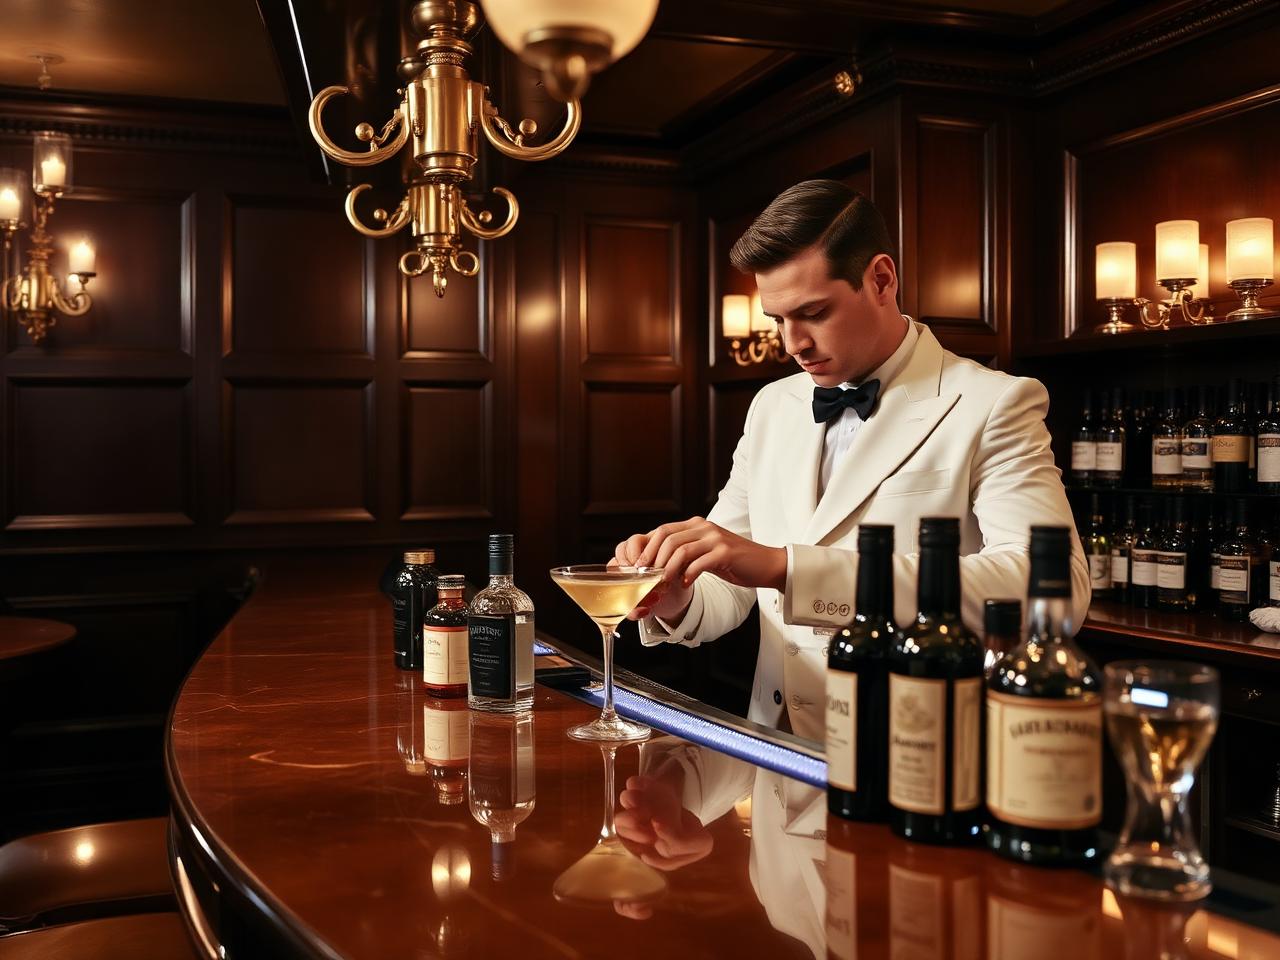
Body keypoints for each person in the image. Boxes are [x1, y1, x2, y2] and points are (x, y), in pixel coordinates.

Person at [614, 179, 1089, 740]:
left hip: (918, 754)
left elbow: (1050, 590)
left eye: (813, 312)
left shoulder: (991, 403)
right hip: (778, 750)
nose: (793, 343)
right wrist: (679, 594)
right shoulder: (774, 405)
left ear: (881, 279)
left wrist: (791, 568)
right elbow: (735, 583)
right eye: (777, 320)